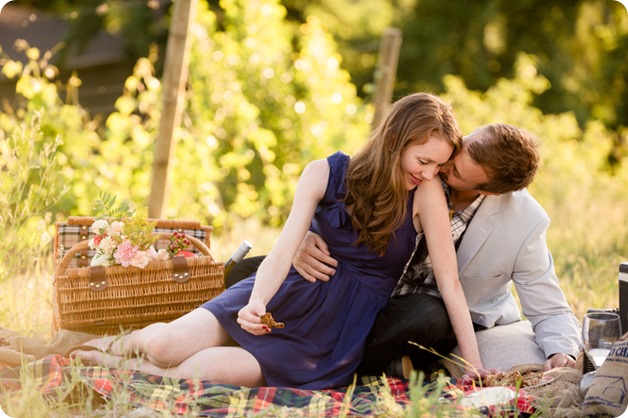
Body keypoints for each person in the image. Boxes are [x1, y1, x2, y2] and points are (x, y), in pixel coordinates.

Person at [70, 92, 485, 389]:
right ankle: (111, 345)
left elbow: (450, 283)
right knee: (163, 344)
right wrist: (256, 303)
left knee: (194, 372)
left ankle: (110, 367)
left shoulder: (425, 194)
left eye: (439, 165)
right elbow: (285, 248)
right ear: (394, 142)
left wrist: (473, 365)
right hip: (281, 294)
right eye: (424, 161)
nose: (431, 173)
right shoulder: (323, 173)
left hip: (327, 332)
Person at [228, 123, 582, 377]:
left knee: (425, 318)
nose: (439, 167)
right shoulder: (422, 165)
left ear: (488, 191)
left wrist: (560, 351)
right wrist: (306, 235)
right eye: (455, 149)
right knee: (247, 271)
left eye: (453, 169)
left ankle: (315, 358)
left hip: (425, 310)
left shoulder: (525, 223)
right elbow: (340, 191)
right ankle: (334, 351)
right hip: (355, 285)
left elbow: (548, 305)